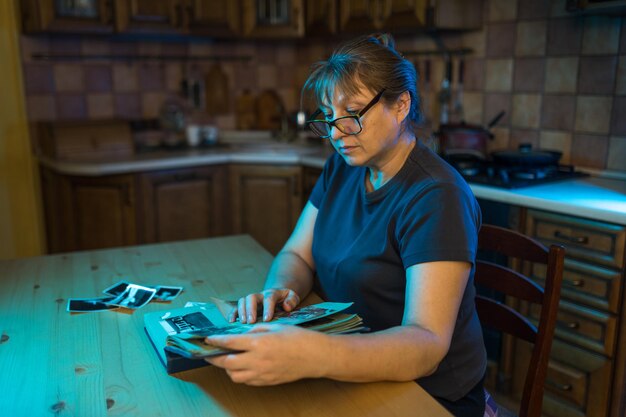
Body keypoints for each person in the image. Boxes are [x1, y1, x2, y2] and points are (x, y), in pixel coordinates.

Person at [204, 33, 487, 417]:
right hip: (352, 365)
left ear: (401, 105)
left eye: (352, 113)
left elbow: (427, 344)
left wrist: (316, 356)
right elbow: (297, 255)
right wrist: (280, 291)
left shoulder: (437, 195)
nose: (336, 133)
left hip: (428, 394)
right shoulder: (345, 164)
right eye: (328, 116)